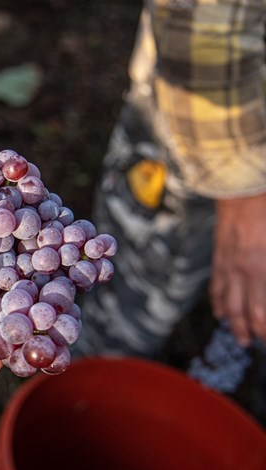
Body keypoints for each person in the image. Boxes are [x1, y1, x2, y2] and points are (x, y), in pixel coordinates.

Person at [74, 1, 266, 364]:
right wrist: (245, 196)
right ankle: (82, 391)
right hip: (205, 123)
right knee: (131, 306)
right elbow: (203, 20)